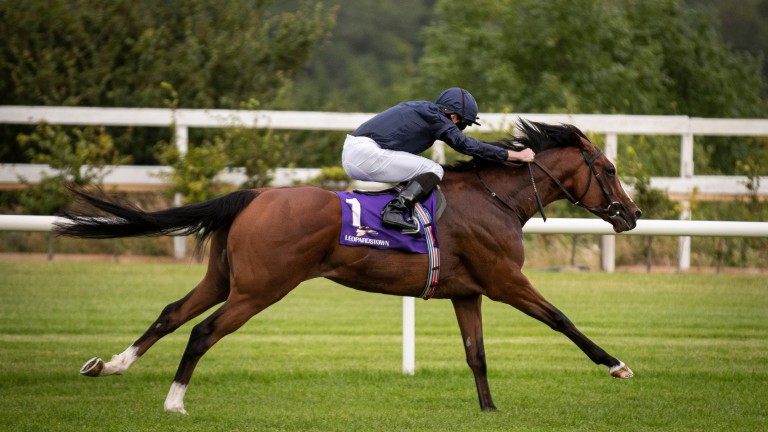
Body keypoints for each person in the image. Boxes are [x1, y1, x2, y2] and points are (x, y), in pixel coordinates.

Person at [342, 87, 535, 235]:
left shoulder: (425, 111)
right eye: (464, 124)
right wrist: (514, 155)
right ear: (453, 116)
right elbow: (466, 145)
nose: (462, 129)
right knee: (434, 169)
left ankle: (398, 209)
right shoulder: (436, 118)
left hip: (356, 151)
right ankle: (395, 211)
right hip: (364, 154)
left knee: (418, 170)